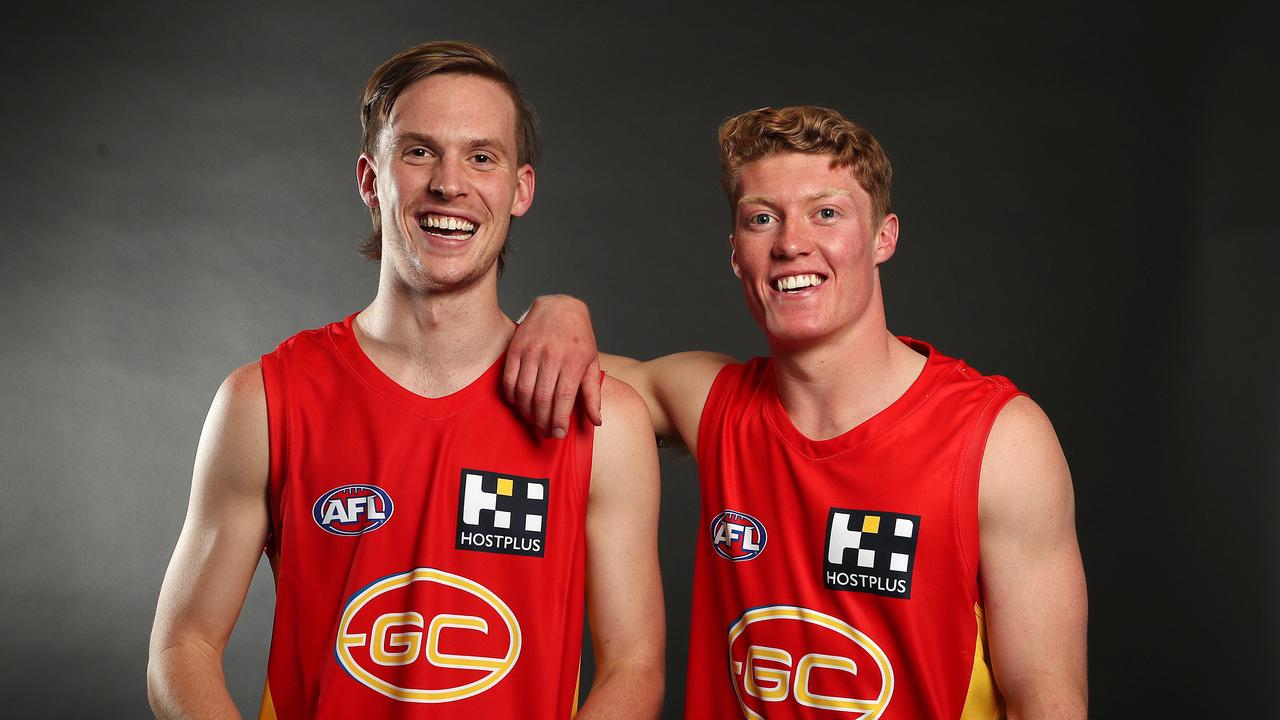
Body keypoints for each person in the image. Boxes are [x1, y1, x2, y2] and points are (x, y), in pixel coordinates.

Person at [510, 105, 1087, 717]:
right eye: (763, 219)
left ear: (883, 237)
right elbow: (550, 365)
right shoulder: (713, 403)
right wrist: (556, 308)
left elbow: (1047, 701)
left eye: (826, 213)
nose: (790, 243)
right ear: (737, 253)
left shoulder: (999, 438)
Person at [147, 41, 664, 719]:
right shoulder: (265, 401)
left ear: (520, 188)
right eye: (418, 151)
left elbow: (634, 668)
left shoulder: (600, 418)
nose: (450, 183)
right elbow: (182, 646)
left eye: (483, 156)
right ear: (370, 178)